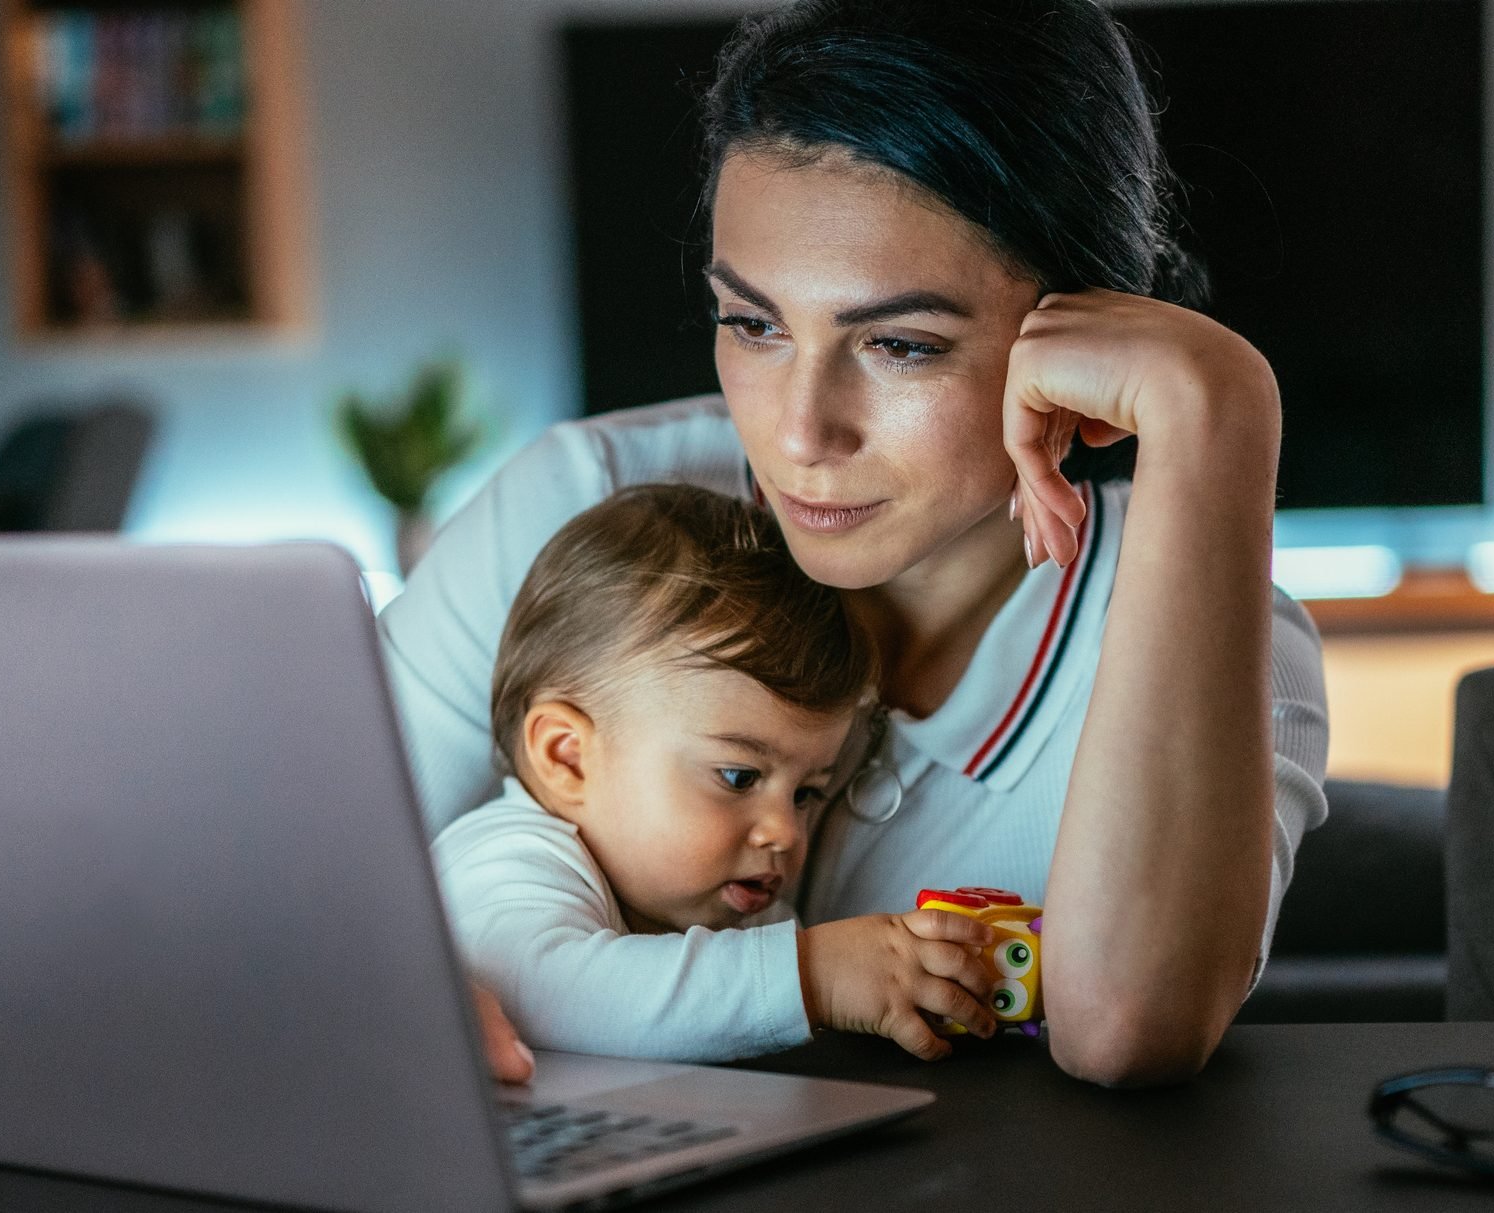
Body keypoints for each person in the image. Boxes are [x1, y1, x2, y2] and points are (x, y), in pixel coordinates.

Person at [388, 0, 1327, 1088]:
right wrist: (381, 968)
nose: (797, 434)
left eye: (897, 344)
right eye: (752, 324)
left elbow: (1123, 1029)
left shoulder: (1227, 640)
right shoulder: (576, 504)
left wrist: (1215, 412)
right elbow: (278, 879)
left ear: (1082, 354)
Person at [433, 483, 1003, 1063]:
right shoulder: (506, 862)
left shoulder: (721, 909)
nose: (785, 832)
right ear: (567, 758)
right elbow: (545, 994)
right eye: (739, 777)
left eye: (806, 792)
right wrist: (813, 977)